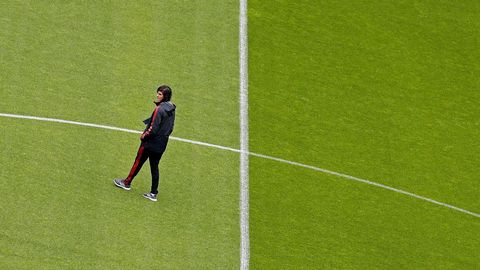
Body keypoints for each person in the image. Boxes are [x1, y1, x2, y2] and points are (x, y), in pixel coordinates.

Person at [114, 85, 176, 202]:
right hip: (162, 144)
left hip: (150, 143)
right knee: (154, 167)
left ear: (165, 96)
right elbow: (170, 127)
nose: (157, 95)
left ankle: (126, 182)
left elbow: (153, 128)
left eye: (160, 94)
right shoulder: (172, 108)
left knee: (138, 161)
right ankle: (153, 193)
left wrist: (144, 135)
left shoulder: (159, 109)